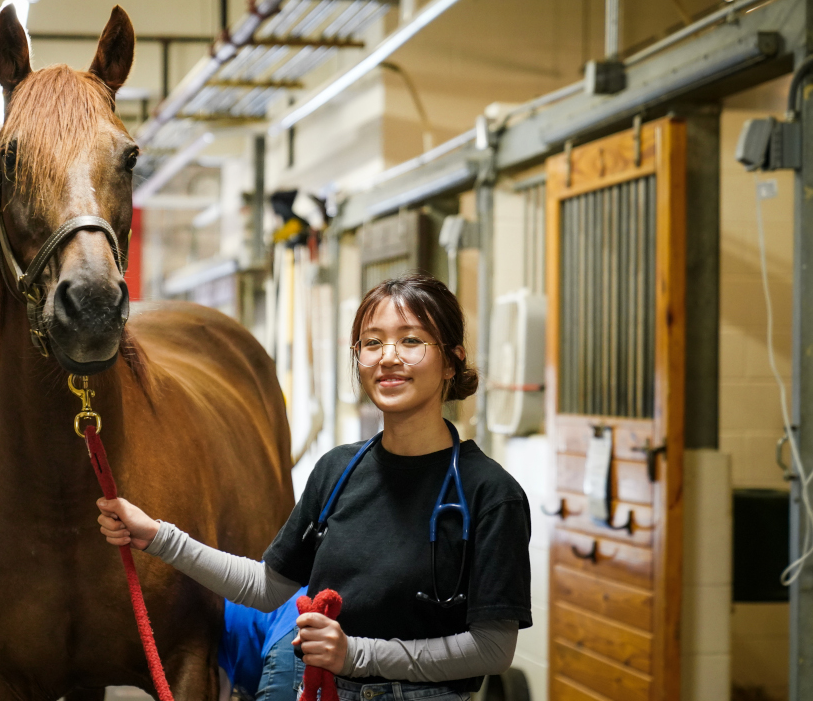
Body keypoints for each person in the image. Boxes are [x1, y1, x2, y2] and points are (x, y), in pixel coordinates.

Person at [98, 272, 532, 701]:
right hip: (318, 689)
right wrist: (157, 536)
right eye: (373, 342)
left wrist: (356, 655)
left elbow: (492, 649)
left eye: (412, 341)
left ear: (452, 361)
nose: (388, 357)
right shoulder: (338, 471)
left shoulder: (490, 494)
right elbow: (266, 588)